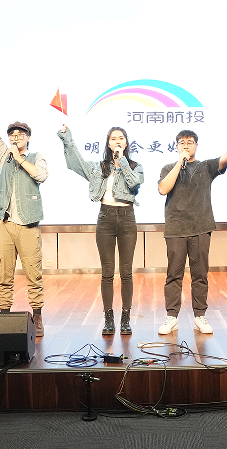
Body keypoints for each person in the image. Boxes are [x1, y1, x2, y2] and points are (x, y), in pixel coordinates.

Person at [0, 90, 49, 337]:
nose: (15, 137)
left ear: (28, 138)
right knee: (3, 273)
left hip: (27, 224)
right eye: (12, 134)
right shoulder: (4, 156)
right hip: (3, 223)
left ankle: (37, 316)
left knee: (33, 273)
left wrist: (20, 159)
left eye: (20, 134)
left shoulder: (36, 157)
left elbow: (41, 175)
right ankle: (4, 316)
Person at [157, 128, 227, 335]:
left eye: (190, 142)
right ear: (176, 146)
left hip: (201, 228)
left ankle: (199, 316)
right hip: (175, 228)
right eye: (182, 143)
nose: (186, 146)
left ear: (197, 146)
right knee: (174, 275)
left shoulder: (205, 167)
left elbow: (226, 158)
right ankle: (171, 317)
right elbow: (163, 189)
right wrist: (179, 163)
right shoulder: (168, 168)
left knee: (200, 275)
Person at [58, 124, 144, 336]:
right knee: (107, 272)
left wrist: (122, 161)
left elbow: (134, 184)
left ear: (126, 143)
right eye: (113, 138)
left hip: (127, 218)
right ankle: (108, 318)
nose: (117, 141)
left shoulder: (135, 166)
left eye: (121, 138)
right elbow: (75, 163)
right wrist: (67, 138)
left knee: (126, 272)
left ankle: (125, 318)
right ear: (108, 143)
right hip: (105, 218)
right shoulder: (98, 168)